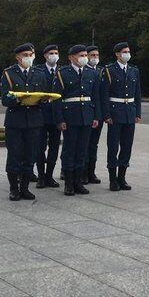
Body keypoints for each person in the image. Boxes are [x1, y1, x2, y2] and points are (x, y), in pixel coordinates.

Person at [52, 45, 99, 196]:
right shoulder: (62, 73)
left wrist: (96, 116)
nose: (85, 57)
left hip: (87, 116)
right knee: (69, 150)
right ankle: (69, 184)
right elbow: (56, 99)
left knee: (82, 151)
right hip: (70, 117)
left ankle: (78, 182)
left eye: (86, 55)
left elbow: (95, 96)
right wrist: (59, 119)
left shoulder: (92, 73)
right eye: (81, 55)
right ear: (71, 57)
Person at [0, 43, 44, 201]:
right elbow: (5, 99)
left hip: (33, 121)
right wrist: (19, 99)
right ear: (18, 57)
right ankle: (14, 188)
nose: (29, 57)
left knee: (30, 155)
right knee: (14, 155)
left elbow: (43, 95)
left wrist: (42, 99)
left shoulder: (39, 73)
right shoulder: (8, 74)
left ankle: (25, 188)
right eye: (25, 54)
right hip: (15, 121)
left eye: (31, 54)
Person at [101, 42, 142, 191]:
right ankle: (113, 179)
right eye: (124, 51)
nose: (127, 54)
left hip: (129, 112)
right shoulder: (109, 70)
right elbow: (104, 94)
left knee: (126, 147)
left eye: (128, 51)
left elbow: (137, 93)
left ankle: (122, 178)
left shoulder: (133, 70)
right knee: (113, 147)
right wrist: (106, 115)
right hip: (115, 112)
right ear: (117, 54)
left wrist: (137, 113)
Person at [35, 44, 62, 188]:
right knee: (40, 147)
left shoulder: (62, 71)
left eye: (56, 53)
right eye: (51, 53)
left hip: (56, 115)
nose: (54, 55)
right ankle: (40, 176)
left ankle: (49, 176)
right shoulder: (38, 71)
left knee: (54, 146)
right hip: (41, 114)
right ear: (45, 56)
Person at [83, 45, 105, 184]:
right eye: (92, 55)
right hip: (86, 112)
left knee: (93, 145)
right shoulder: (83, 71)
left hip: (99, 113)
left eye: (97, 55)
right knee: (84, 144)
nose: (95, 58)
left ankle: (91, 172)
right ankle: (83, 173)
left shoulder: (102, 71)